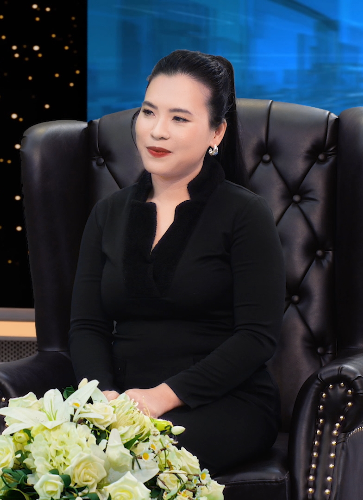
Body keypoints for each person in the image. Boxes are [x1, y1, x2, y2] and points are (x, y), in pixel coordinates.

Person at [68, 50, 285, 474]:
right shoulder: (108, 212)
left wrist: (159, 398)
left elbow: (256, 337)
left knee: (135, 462)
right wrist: (104, 398)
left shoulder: (245, 213)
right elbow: (87, 325)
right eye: (149, 112)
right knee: (52, 457)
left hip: (224, 403)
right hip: (122, 401)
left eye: (179, 118)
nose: (157, 131)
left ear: (217, 132)